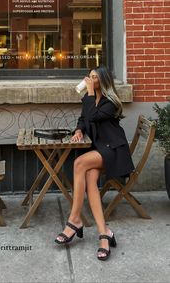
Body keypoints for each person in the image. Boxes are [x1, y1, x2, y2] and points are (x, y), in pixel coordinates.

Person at [54, 65, 135, 261]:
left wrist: (89, 93)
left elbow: (93, 116)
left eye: (94, 78)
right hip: (100, 149)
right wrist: (79, 130)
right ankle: (104, 233)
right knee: (90, 179)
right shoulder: (91, 99)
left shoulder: (111, 103)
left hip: (114, 150)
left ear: (103, 81)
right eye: (89, 77)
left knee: (79, 163)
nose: (90, 80)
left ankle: (74, 220)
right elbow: (84, 118)